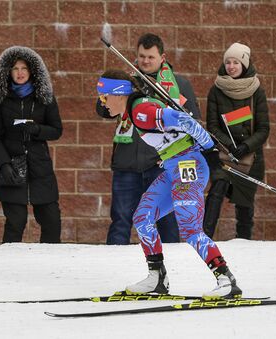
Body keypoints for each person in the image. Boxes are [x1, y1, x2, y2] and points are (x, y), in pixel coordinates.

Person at [96, 69, 242, 298]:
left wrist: (210, 149)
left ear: (118, 93)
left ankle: (226, 279)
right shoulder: (133, 110)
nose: (102, 103)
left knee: (189, 226)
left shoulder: (141, 111)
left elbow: (185, 120)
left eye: (104, 97)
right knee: (142, 217)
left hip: (189, 165)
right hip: (173, 166)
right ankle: (157, 279)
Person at [96, 33, 200, 245]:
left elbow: (193, 121)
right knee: (121, 219)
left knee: (167, 221)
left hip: (161, 164)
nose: (145, 61)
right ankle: (114, 265)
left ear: (162, 57)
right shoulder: (127, 81)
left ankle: (172, 267)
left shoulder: (178, 85)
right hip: (127, 163)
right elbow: (103, 110)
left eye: (150, 57)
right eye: (142, 56)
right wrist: (112, 91)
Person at [0, 46, 62, 243]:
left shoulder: (44, 97)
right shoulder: (0, 99)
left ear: (32, 71)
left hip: (40, 167)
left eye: (24, 68)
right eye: (15, 69)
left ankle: (50, 267)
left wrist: (37, 129)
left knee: (51, 220)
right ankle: (9, 267)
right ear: (8, 72)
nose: (20, 73)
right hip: (11, 166)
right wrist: (4, 164)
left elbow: (56, 130)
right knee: (15, 222)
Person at [203, 42, 270, 240]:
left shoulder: (257, 91)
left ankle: (244, 242)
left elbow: (263, 129)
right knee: (217, 189)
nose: (231, 66)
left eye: (236, 62)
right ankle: (204, 237)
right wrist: (229, 145)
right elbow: (212, 126)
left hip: (251, 157)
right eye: (228, 62)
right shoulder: (216, 90)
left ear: (245, 65)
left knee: (245, 205)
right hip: (225, 154)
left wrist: (245, 146)